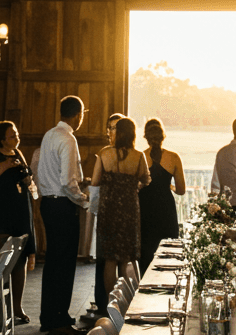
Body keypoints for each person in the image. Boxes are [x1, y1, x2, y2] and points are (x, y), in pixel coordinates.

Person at [36, 95, 89, 335]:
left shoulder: (49, 135)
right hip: (63, 206)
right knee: (65, 264)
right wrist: (83, 200)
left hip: (48, 203)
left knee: (53, 263)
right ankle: (60, 321)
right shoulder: (68, 139)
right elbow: (68, 182)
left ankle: (49, 316)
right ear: (78, 115)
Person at [92, 115, 150, 298]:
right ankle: (126, 303)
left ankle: (112, 305)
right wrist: (134, 186)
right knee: (125, 260)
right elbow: (146, 179)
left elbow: (95, 181)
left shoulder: (104, 153)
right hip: (128, 210)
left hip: (108, 209)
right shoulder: (138, 156)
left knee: (109, 259)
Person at [0, 120, 37, 325]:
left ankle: (17, 306)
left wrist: (27, 180)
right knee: (3, 256)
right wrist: (7, 164)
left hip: (21, 208)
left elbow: (27, 177)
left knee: (21, 257)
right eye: (12, 136)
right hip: (3, 210)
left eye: (16, 134)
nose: (16, 138)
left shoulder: (18, 152)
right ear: (1, 139)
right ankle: (0, 306)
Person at [138, 118, 184, 273]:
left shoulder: (140, 156)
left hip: (145, 209)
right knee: (169, 253)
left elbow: (135, 186)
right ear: (163, 136)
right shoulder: (174, 157)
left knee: (146, 253)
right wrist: (168, 185)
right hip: (166, 209)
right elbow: (181, 190)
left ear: (146, 136)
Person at [90, 112, 123, 319]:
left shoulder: (135, 154)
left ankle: (122, 302)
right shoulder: (104, 153)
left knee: (124, 259)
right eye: (111, 127)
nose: (113, 132)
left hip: (125, 212)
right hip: (107, 209)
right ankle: (104, 304)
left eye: (118, 128)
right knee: (104, 258)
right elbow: (95, 185)